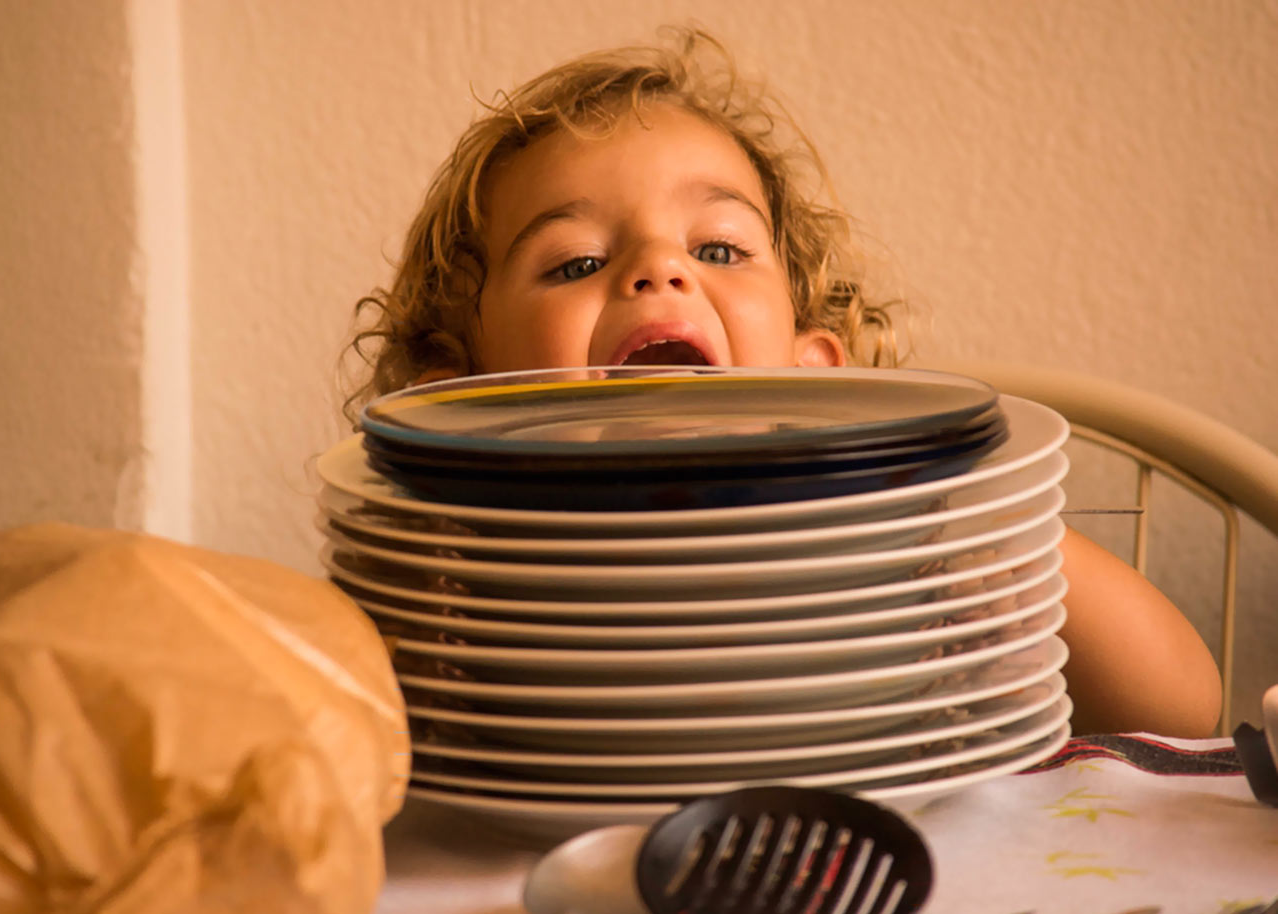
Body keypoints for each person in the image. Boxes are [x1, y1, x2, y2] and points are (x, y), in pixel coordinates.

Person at [341, 28, 1222, 738]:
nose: (659, 269)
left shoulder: (889, 544)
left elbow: (1181, 713)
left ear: (818, 378)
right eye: (576, 261)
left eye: (718, 249)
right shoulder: (455, 575)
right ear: (451, 403)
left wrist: (972, 526)